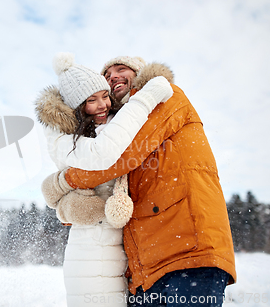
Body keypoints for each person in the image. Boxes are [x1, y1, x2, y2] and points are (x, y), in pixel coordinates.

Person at [43, 55, 237, 307]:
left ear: (139, 71)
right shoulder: (119, 124)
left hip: (189, 251)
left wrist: (62, 183)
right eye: (107, 75)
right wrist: (73, 206)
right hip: (146, 267)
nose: (113, 76)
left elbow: (120, 157)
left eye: (120, 69)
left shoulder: (164, 96)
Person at [36, 52, 173, 306]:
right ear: (78, 107)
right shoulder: (61, 139)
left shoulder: (103, 125)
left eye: (105, 96)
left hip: (120, 248)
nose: (103, 105)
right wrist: (145, 99)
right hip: (89, 248)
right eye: (92, 100)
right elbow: (104, 155)